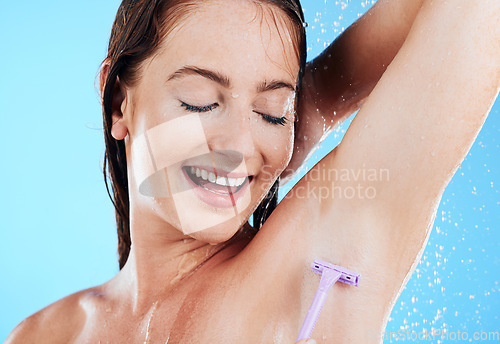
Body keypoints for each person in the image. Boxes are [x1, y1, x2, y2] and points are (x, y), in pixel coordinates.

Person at [6, 0, 498, 343]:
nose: (241, 146)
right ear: (118, 102)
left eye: (271, 113)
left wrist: (317, 104)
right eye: (200, 102)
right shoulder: (42, 336)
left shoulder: (317, 254)